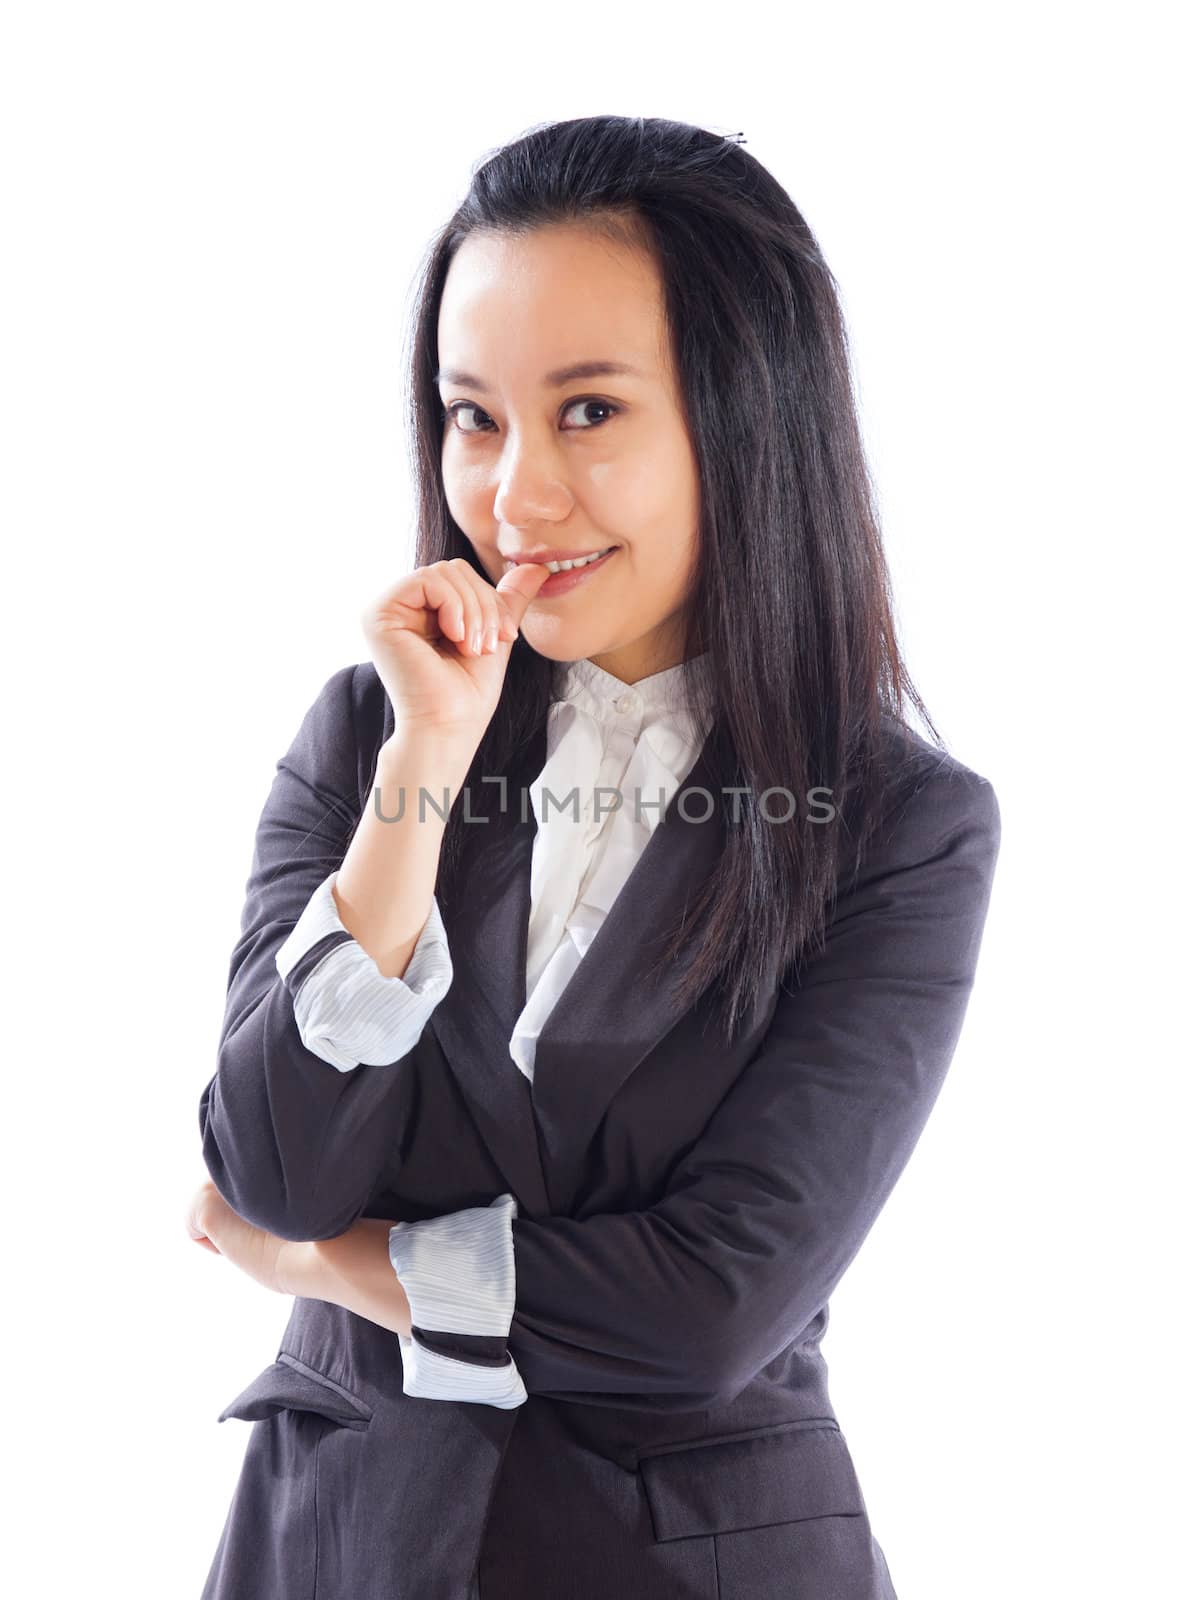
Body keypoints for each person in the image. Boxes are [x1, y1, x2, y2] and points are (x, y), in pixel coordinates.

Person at [187, 114, 1002, 1600]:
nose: (513, 496)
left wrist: (325, 1276)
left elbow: (706, 1312)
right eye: (473, 415)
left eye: (586, 413)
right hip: (341, 1546)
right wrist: (422, 766)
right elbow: (276, 1161)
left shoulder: (897, 824)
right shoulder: (368, 734)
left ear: (746, 414)